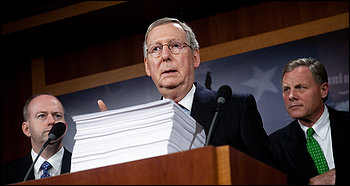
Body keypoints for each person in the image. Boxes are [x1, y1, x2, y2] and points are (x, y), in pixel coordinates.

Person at [98, 17, 277, 167]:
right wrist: (118, 146)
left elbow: (270, 175)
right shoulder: (138, 129)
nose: (165, 55)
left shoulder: (236, 107)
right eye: (155, 49)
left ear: (195, 57)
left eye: (175, 45)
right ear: (147, 65)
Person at [268, 58, 349, 185]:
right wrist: (312, 183)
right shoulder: (274, 145)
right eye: (286, 89)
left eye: (300, 87)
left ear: (323, 90)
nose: (291, 96)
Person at [1, 93, 71, 184]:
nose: (51, 121)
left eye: (57, 116)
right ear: (27, 129)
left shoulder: (84, 165)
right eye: (42, 116)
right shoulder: (5, 174)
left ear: (65, 127)